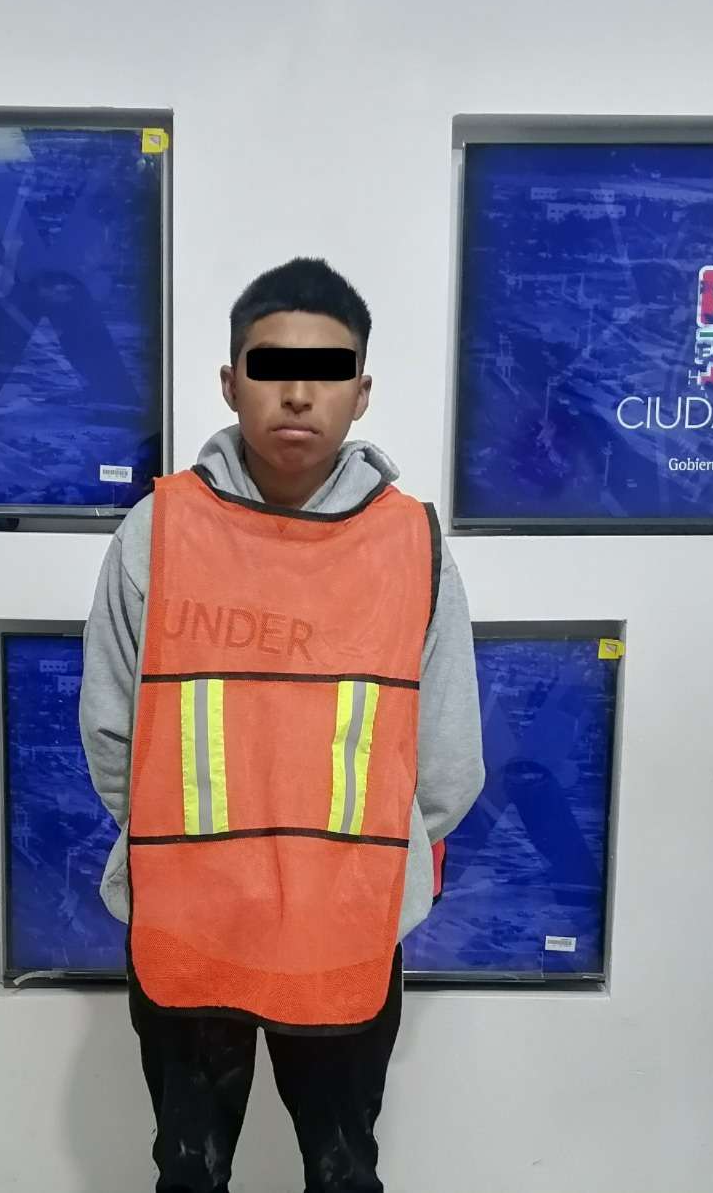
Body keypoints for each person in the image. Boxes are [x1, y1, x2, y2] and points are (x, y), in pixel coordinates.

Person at [79, 257, 485, 1193]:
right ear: (230, 382)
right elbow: (114, 733)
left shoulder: (412, 543)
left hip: (342, 930)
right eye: (270, 367)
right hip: (192, 928)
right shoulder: (157, 530)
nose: (298, 393)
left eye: (328, 371)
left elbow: (446, 765)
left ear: (362, 392)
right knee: (222, 1174)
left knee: (323, 1173)